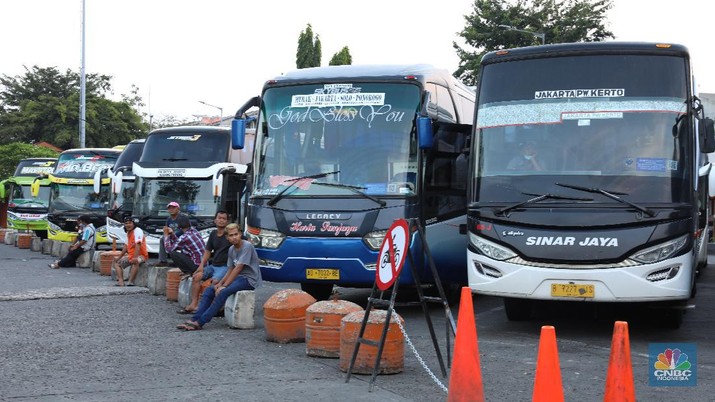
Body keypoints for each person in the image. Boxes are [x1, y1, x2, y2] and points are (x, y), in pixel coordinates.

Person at [177, 223, 261, 331]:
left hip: (248, 279)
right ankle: (195, 318)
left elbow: (238, 268)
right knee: (209, 290)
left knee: (222, 292)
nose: (234, 237)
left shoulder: (247, 246)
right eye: (231, 235)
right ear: (227, 237)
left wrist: (224, 286)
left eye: (236, 234)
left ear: (240, 234)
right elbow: (230, 269)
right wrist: (220, 283)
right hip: (236, 278)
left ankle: (200, 322)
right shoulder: (231, 249)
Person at [177, 210, 232, 314]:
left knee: (215, 282)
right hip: (213, 265)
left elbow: (244, 241)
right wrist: (201, 266)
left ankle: (212, 308)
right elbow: (207, 251)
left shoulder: (230, 234)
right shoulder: (213, 234)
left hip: (225, 266)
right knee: (196, 276)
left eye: (224, 219)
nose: (221, 220)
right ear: (215, 220)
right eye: (219, 218)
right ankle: (194, 304)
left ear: (227, 221)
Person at [112, 216, 149, 287]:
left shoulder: (138, 231)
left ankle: (130, 281)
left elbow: (138, 245)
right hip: (130, 256)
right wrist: (119, 258)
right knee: (116, 263)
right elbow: (125, 246)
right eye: (126, 223)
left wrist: (135, 258)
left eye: (130, 223)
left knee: (135, 262)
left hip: (141, 255)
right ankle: (121, 281)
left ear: (133, 224)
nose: (128, 225)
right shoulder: (128, 233)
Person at [154, 201, 185, 267]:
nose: (171, 209)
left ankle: (184, 261)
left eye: (173, 208)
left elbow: (185, 228)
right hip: (171, 236)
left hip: (182, 237)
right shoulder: (169, 219)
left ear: (178, 208)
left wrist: (174, 234)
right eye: (169, 208)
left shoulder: (182, 217)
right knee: (162, 239)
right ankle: (163, 261)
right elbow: (167, 227)